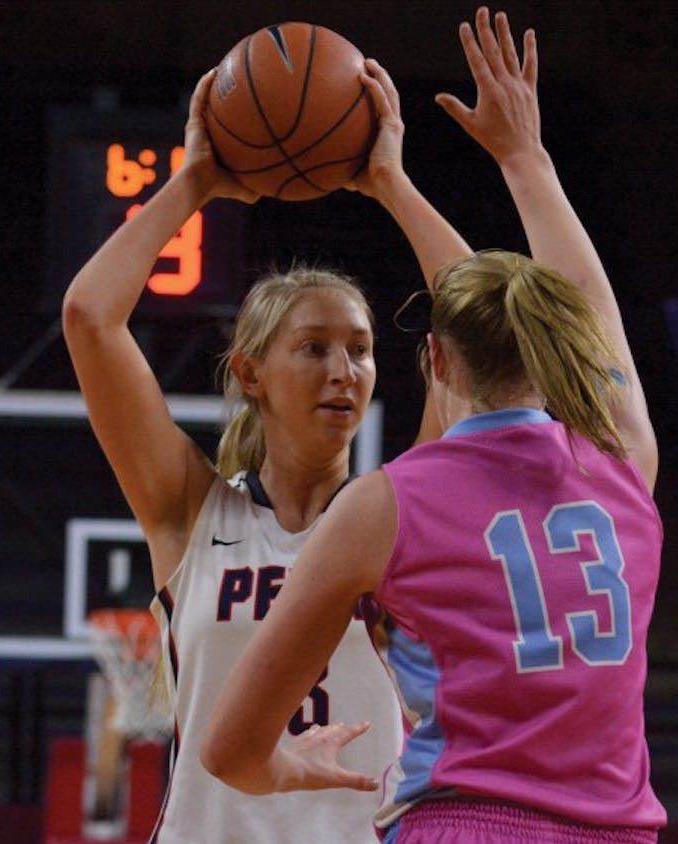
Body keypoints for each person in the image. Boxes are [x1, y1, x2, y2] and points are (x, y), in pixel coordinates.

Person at [201, 9, 667, 843]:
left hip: (463, 824)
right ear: (562, 347)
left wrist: (281, 767)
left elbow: (231, 748)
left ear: (438, 368)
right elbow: (595, 313)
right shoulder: (623, 462)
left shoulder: (381, 507)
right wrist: (525, 157)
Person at [62, 54, 474, 843]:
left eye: (359, 350)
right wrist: (194, 183)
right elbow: (89, 316)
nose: (343, 372)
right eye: (314, 348)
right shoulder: (191, 511)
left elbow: (481, 325)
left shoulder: (398, 515)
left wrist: (391, 183)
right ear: (250, 372)